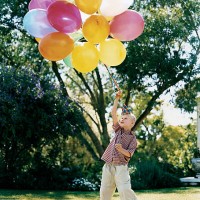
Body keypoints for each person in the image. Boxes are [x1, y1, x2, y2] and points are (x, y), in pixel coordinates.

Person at [100, 90, 138, 200]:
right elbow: (113, 113)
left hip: (121, 167)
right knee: (104, 191)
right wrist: (117, 98)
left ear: (132, 123)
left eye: (126, 118)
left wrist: (121, 149)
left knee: (124, 189)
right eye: (121, 118)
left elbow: (129, 154)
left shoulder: (133, 139)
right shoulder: (118, 130)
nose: (122, 119)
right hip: (108, 165)